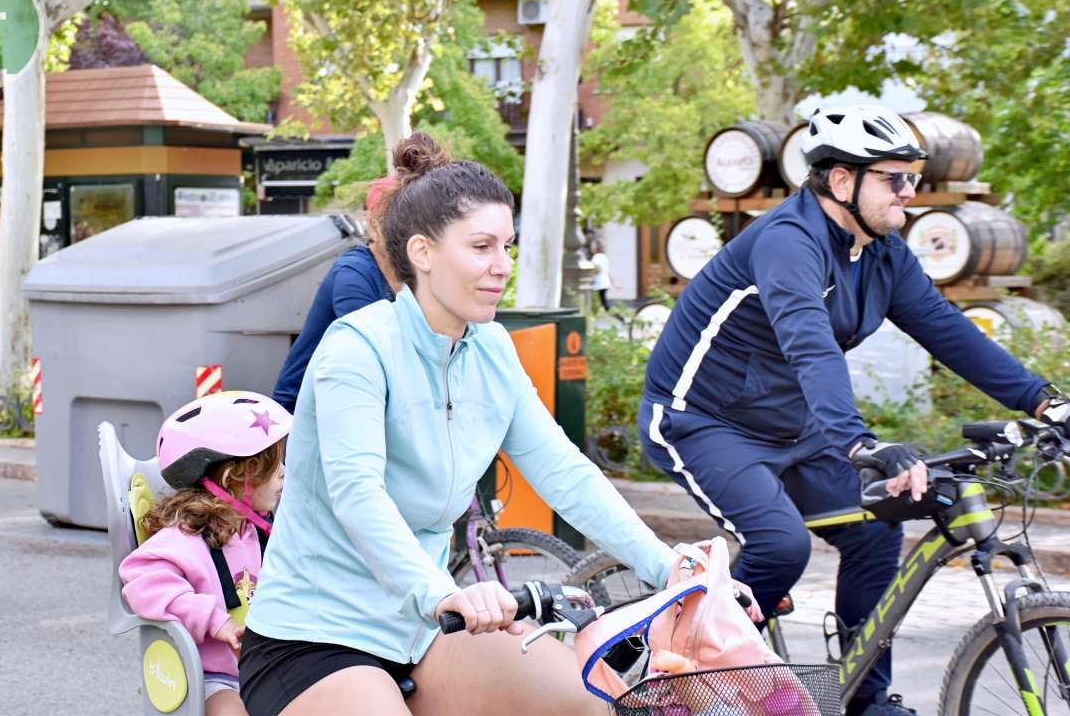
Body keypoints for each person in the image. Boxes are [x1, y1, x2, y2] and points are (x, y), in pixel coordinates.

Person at [239, 132, 760, 716]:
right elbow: (356, 493)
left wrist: (668, 567)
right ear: (423, 253)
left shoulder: (492, 350)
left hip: (421, 628)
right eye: (482, 247)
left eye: (507, 247)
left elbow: (564, 472)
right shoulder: (357, 350)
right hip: (319, 633)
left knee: (589, 703)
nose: (502, 267)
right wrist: (442, 593)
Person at [637, 103, 1069, 716]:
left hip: (794, 426)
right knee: (782, 545)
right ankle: (691, 685)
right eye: (895, 179)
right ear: (843, 181)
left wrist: (1044, 400)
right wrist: (860, 443)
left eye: (914, 179)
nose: (909, 194)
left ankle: (865, 701)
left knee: (876, 524)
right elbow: (809, 343)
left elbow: (948, 330)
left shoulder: (882, 254)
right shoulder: (789, 243)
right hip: (702, 419)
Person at [119, 390, 292, 716]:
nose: (284, 471)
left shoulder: (252, 530)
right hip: (210, 677)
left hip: (259, 669)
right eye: (273, 464)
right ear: (236, 477)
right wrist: (214, 620)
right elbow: (140, 578)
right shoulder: (186, 536)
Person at [270, 136, 449, 412]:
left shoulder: (417, 275)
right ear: (374, 227)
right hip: (302, 416)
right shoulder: (353, 274)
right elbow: (379, 356)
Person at [589, 238, 612, 311]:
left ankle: (621, 318)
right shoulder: (604, 256)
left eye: (592, 246)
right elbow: (608, 271)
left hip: (598, 284)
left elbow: (596, 269)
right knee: (603, 304)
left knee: (604, 305)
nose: (591, 247)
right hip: (604, 283)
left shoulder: (596, 257)